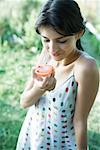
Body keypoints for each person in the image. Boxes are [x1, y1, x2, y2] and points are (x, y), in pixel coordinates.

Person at [16, 0, 99, 150]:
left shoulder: (85, 67)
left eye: (61, 41)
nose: (52, 49)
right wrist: (41, 88)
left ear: (79, 33)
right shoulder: (46, 56)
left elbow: (80, 121)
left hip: (61, 144)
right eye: (46, 40)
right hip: (35, 138)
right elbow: (24, 102)